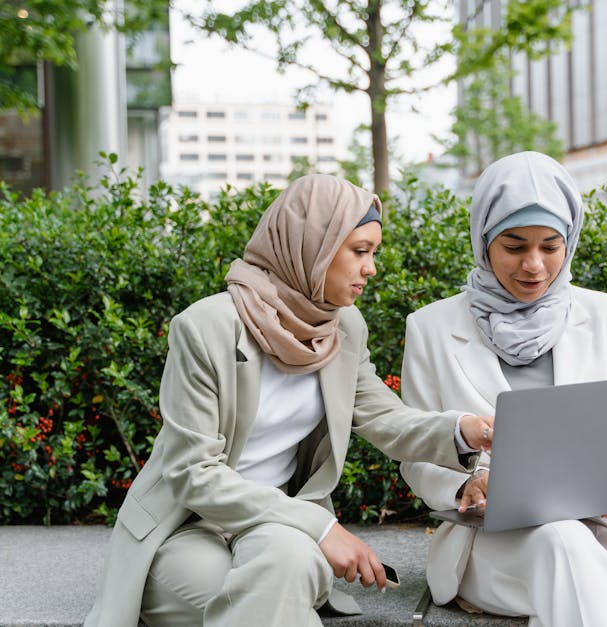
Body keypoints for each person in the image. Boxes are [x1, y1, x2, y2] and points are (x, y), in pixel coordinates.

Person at [84, 174, 494, 627]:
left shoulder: (344, 327)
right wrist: (321, 528)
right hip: (187, 525)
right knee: (268, 589)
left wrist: (464, 430)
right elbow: (192, 472)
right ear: (313, 244)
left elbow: (384, 416)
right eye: (360, 251)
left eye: (373, 252)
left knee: (283, 569)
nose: (371, 268)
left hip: (279, 527)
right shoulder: (207, 328)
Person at [399, 151, 607, 627]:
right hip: (491, 545)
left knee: (572, 547)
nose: (534, 265)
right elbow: (415, 450)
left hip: (606, 534)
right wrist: (467, 484)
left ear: (569, 242)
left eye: (550, 246)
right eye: (514, 246)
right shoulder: (430, 327)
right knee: (561, 541)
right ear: (484, 240)